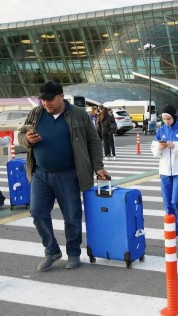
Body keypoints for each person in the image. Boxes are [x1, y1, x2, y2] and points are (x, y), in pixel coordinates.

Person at [17, 80, 109, 272]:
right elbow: (22, 135)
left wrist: (98, 167)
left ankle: (73, 253)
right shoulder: (36, 113)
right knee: (37, 212)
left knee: (72, 216)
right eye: (43, 100)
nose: (46, 103)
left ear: (61, 96)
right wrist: (27, 140)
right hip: (41, 174)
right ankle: (51, 251)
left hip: (69, 174)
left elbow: (93, 141)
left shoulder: (78, 114)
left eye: (49, 99)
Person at [151, 104, 178, 240]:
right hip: (164, 171)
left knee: (176, 201)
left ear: (174, 117)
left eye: (168, 119)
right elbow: (154, 152)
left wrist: (174, 146)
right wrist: (160, 147)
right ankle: (173, 227)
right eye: (164, 119)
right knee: (167, 203)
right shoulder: (160, 130)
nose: (166, 122)